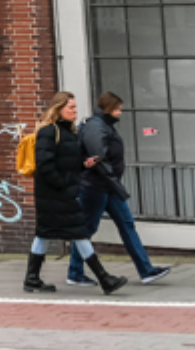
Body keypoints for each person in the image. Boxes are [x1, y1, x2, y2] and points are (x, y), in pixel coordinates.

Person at [26, 90, 125, 295]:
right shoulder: (48, 131)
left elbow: (68, 163)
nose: (75, 111)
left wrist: (83, 164)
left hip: (63, 192)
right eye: (70, 107)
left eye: (75, 107)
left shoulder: (70, 132)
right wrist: (63, 183)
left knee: (44, 233)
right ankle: (104, 279)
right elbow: (44, 165)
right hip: (54, 194)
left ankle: (32, 279)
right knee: (79, 232)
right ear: (59, 108)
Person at [66, 92, 172, 286]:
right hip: (95, 187)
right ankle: (75, 272)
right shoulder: (96, 127)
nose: (119, 114)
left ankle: (146, 270)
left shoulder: (102, 126)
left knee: (127, 224)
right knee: (87, 229)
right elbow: (99, 158)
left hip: (108, 187)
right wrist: (113, 180)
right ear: (107, 109)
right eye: (117, 110)